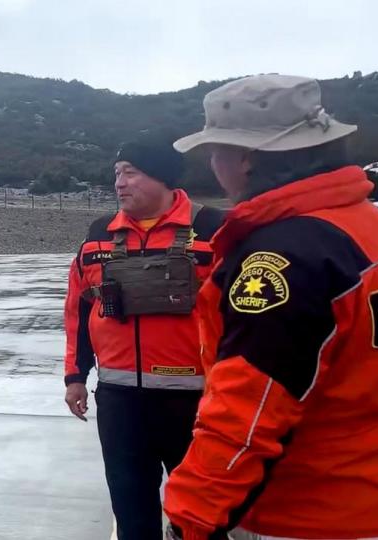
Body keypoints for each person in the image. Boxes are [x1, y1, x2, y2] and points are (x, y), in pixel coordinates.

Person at [163, 74, 378, 540]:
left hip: (307, 514)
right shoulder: (369, 227)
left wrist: (189, 517)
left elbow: (247, 410)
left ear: (246, 158)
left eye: (215, 151)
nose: (213, 164)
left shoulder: (282, 260)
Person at [63, 138, 224, 539]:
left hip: (198, 403)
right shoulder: (98, 234)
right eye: (117, 173)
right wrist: (75, 376)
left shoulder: (214, 230)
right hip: (120, 403)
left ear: (163, 177)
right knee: (131, 510)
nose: (120, 182)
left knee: (204, 516)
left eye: (131, 172)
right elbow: (79, 310)